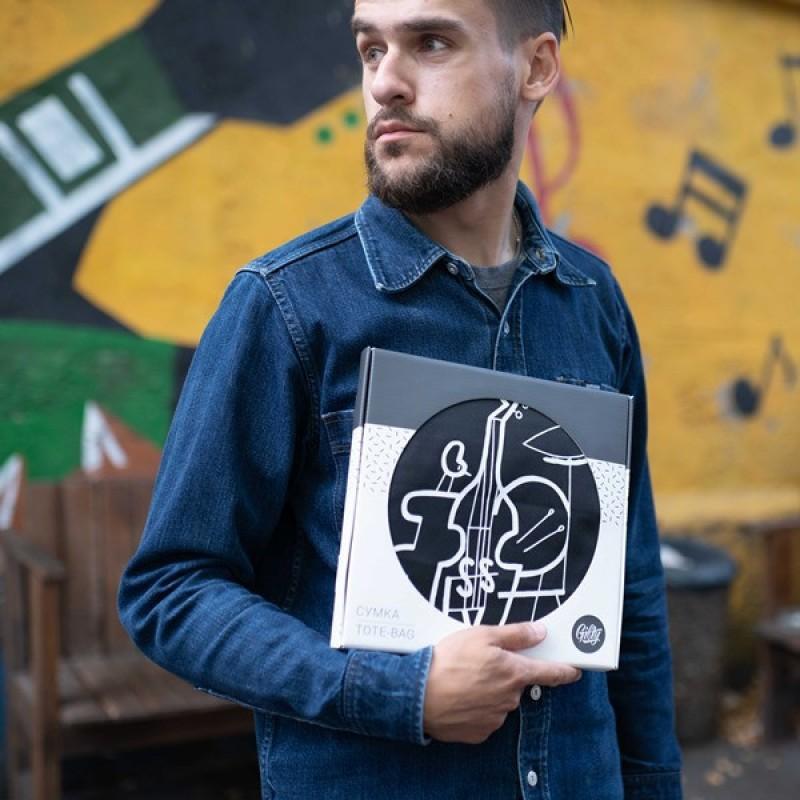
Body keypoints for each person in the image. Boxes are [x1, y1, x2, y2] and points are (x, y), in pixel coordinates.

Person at [118, 1, 683, 798]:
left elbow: (633, 591)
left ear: (536, 67)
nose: (386, 81)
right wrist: (398, 693)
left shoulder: (591, 301)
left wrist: (653, 784)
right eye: (371, 48)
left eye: (432, 43)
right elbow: (171, 591)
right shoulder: (286, 305)